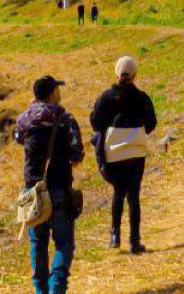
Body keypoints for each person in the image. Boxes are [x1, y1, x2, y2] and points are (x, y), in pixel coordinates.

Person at [16, 75, 84, 294]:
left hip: (33, 190)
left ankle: (40, 290)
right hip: (60, 188)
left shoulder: (25, 119)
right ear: (53, 92)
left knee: (37, 244)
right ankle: (57, 289)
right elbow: (77, 155)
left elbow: (19, 138)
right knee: (64, 244)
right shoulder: (65, 119)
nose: (60, 93)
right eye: (58, 89)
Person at [90, 56, 157, 253]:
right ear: (135, 75)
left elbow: (96, 123)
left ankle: (114, 236)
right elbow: (151, 124)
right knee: (134, 195)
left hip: (113, 150)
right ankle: (134, 241)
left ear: (116, 73)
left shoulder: (106, 97)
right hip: (135, 150)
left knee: (118, 192)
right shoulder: (141, 97)